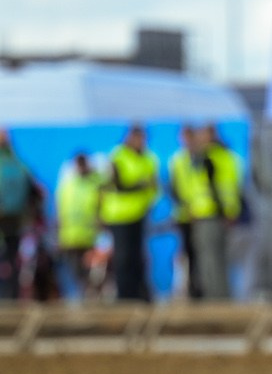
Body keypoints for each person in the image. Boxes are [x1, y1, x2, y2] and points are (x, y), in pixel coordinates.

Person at [169, 124, 240, 300]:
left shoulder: (209, 157)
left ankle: (215, 298)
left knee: (210, 259)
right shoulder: (226, 155)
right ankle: (219, 296)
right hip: (214, 213)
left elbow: (209, 187)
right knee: (215, 258)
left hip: (208, 213)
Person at [0, 128, 40, 302]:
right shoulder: (19, 164)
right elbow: (35, 192)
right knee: (11, 260)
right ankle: (11, 297)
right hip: (13, 218)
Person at [103, 123, 158, 302]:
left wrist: (147, 196)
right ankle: (124, 296)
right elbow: (118, 185)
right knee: (123, 258)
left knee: (138, 257)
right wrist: (140, 186)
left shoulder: (149, 158)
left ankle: (138, 294)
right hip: (119, 215)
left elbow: (154, 186)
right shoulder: (118, 156)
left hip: (139, 214)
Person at [53, 151, 103, 301]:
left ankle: (90, 297)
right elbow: (60, 212)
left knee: (92, 273)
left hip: (90, 238)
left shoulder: (96, 184)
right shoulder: (66, 186)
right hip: (70, 238)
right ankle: (79, 298)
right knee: (75, 273)